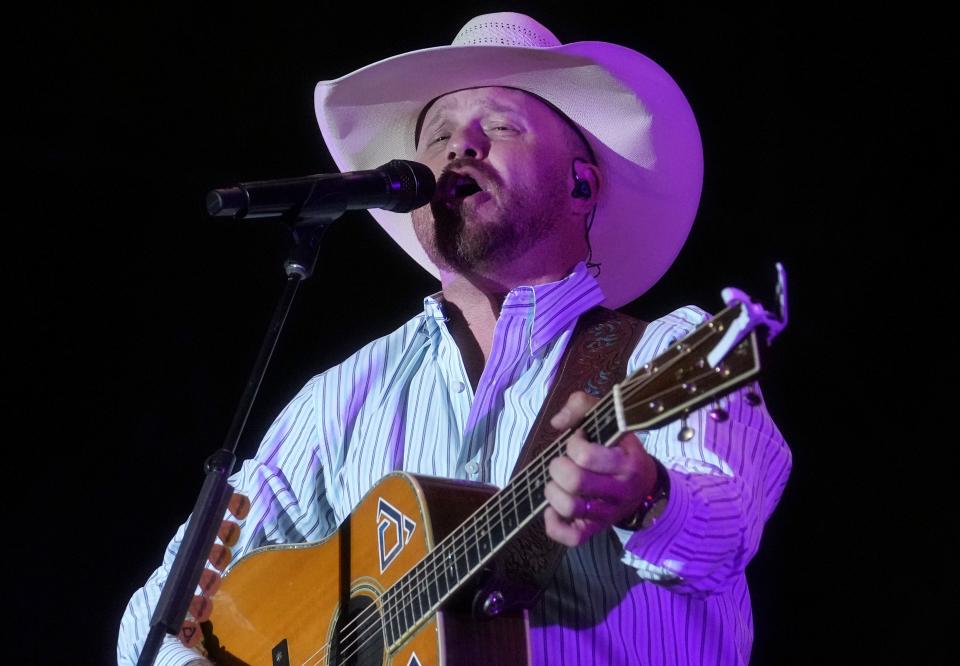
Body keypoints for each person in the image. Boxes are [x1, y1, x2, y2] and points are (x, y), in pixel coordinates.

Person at [118, 12, 791, 666]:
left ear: (581, 182)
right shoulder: (344, 397)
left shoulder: (668, 353)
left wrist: (646, 495)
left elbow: (726, 526)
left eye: (499, 126)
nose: (458, 148)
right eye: (438, 135)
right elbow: (156, 621)